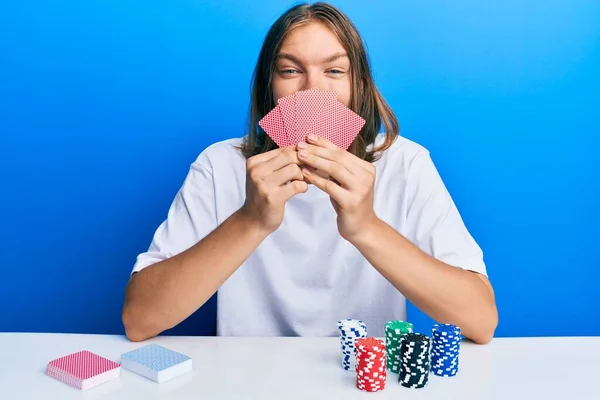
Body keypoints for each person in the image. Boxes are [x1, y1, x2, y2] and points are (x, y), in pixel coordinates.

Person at [122, 2, 498, 344]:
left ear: (358, 85)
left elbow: (480, 321)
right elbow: (139, 319)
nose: (313, 91)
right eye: (290, 70)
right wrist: (251, 220)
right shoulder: (220, 165)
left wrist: (366, 227)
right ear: (269, 87)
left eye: (334, 70)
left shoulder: (404, 164)